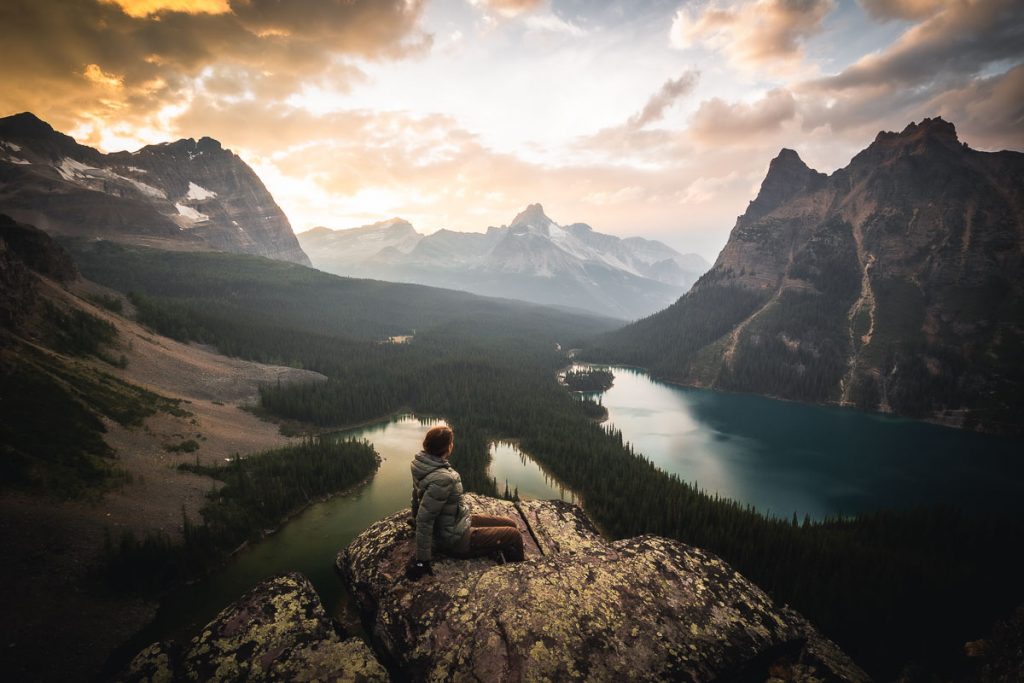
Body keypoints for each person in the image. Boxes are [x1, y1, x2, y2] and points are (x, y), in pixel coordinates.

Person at [406, 425, 525, 580]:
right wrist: (422, 561)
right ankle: (521, 575)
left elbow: (416, 496)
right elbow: (425, 518)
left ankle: (500, 551)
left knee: (510, 523)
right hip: (455, 540)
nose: (452, 445)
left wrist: (414, 519)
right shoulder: (444, 479)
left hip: (456, 523)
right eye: (451, 442)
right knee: (514, 536)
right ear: (447, 448)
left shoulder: (421, 464)